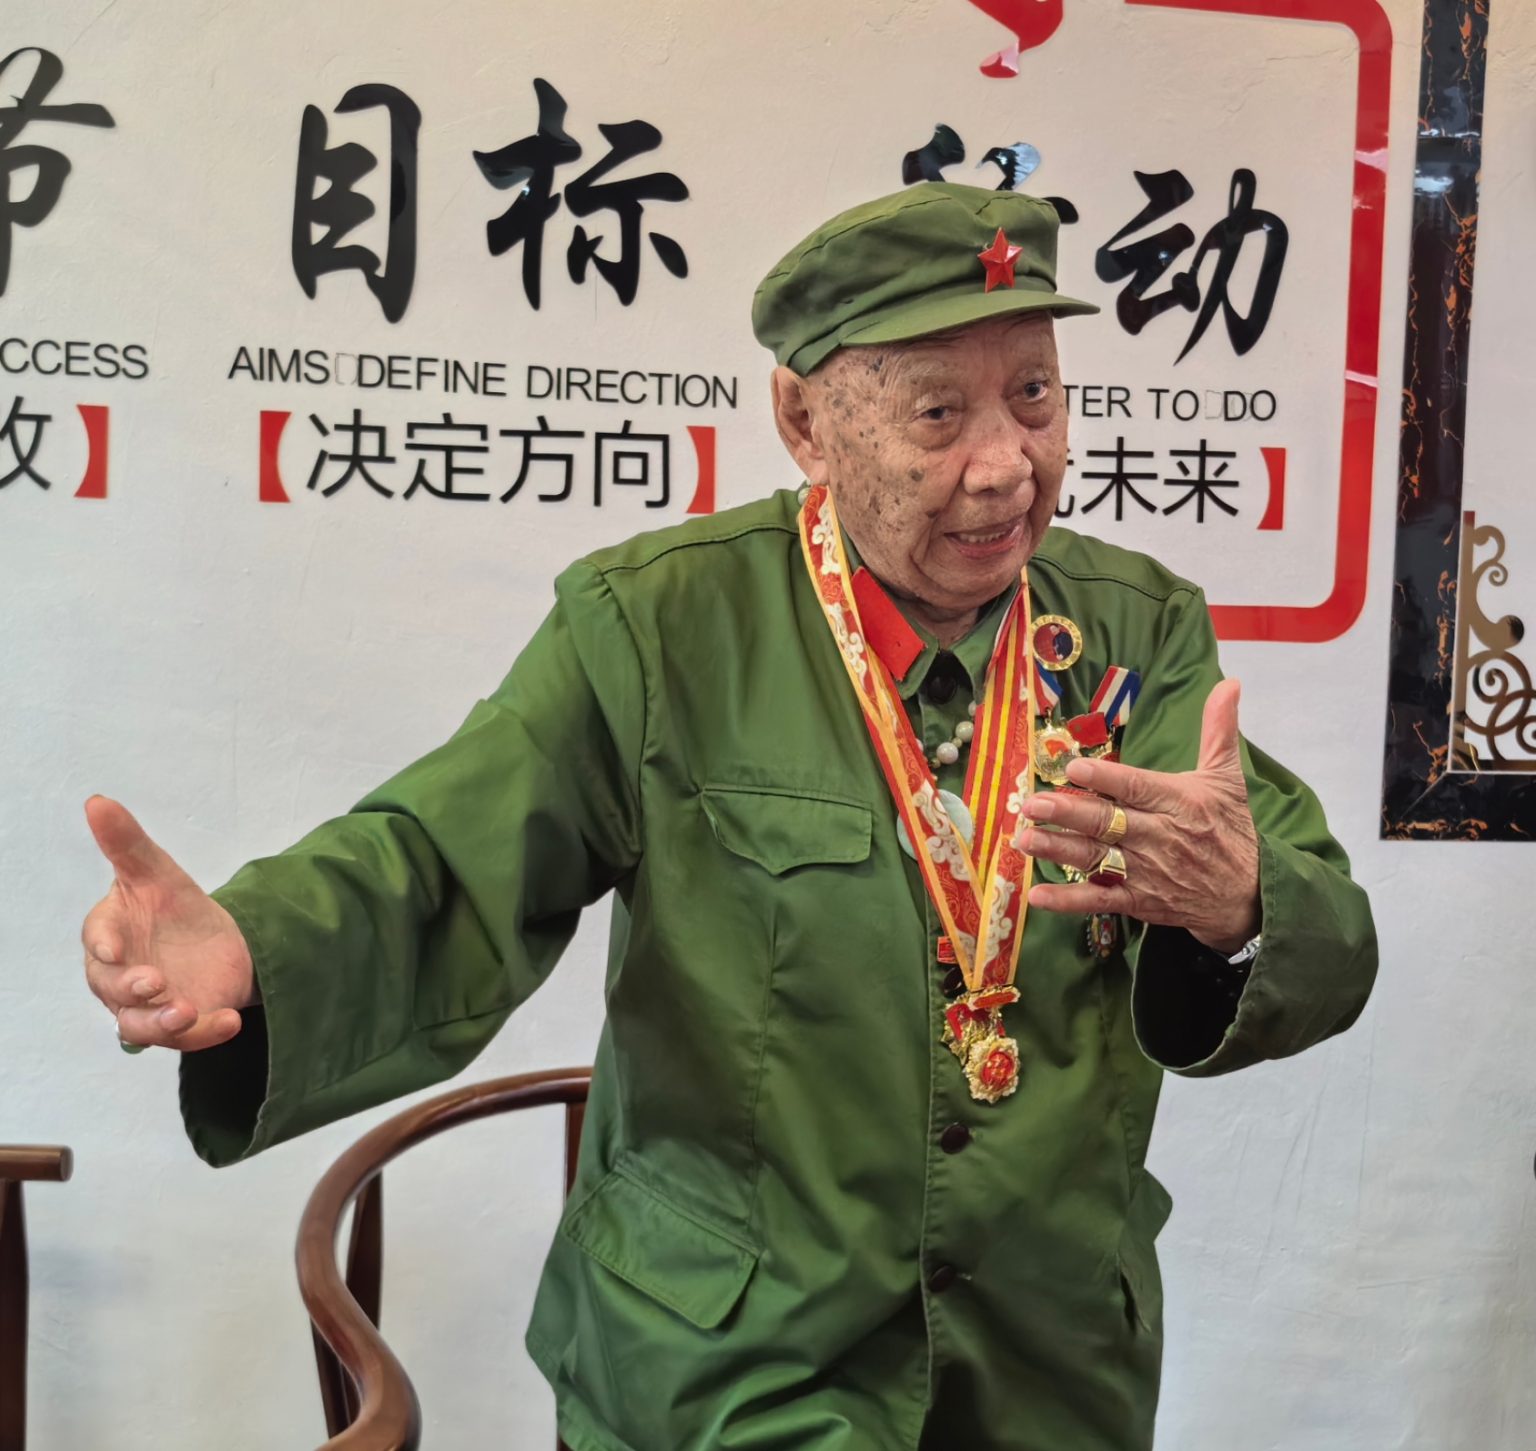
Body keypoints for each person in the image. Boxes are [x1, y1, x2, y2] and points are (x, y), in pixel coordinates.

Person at [79, 182, 1377, 1450]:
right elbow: (440, 859)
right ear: (805, 422)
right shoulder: (659, 625)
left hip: (1048, 1374)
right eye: (939, 413)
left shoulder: (1134, 632)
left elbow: (1319, 916)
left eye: (1034, 396)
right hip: (728, 1373)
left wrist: (1243, 905)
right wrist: (255, 947)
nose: (1005, 465)